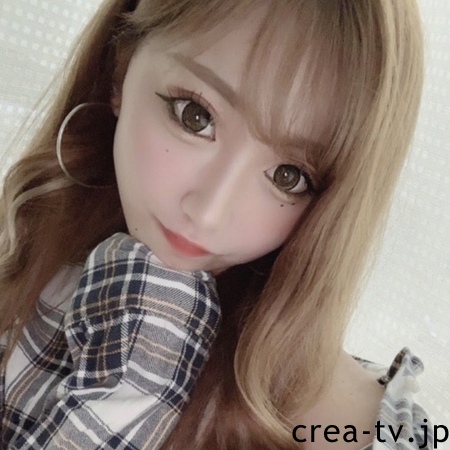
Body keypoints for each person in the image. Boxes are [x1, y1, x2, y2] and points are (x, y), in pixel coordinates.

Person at [0, 0, 433, 449]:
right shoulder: (25, 260)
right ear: (120, 67)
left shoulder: (378, 434)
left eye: (289, 176)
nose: (208, 213)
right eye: (195, 116)